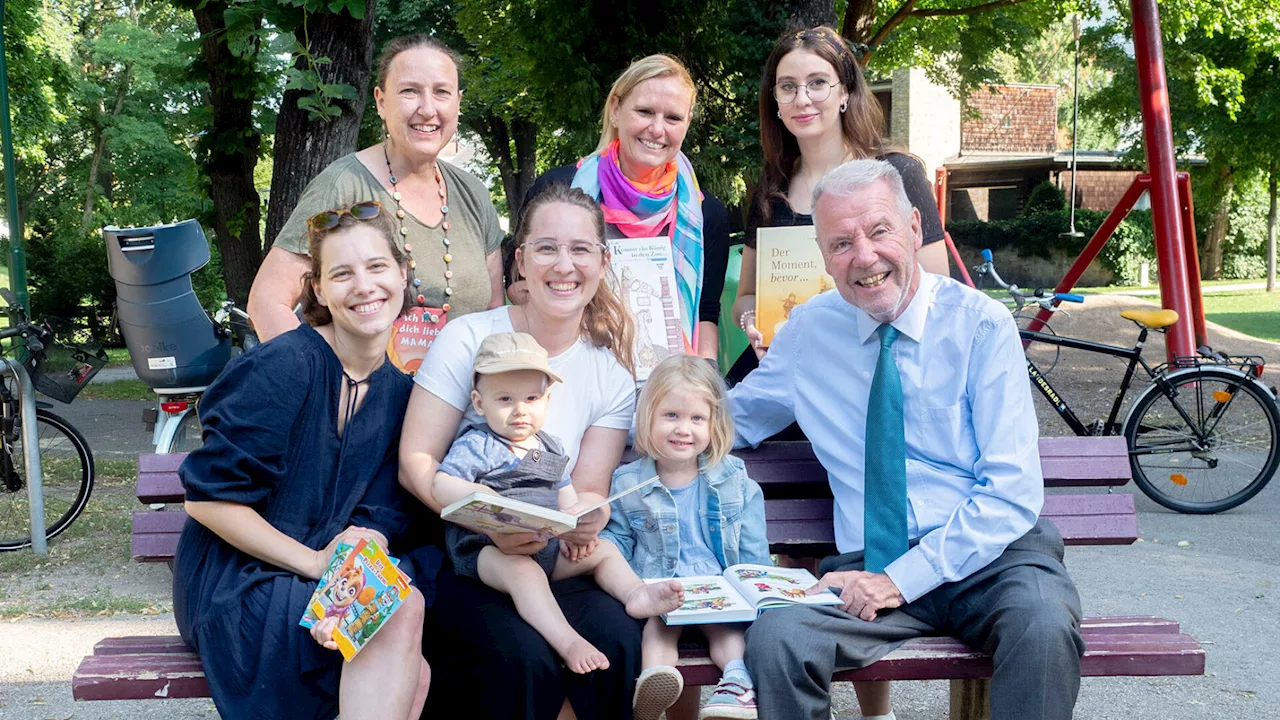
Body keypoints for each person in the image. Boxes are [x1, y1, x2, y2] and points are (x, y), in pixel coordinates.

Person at [729, 159, 1084, 720]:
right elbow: (731, 419)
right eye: (841, 243)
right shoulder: (808, 333)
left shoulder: (981, 327)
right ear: (823, 258)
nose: (864, 257)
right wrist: (613, 419)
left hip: (993, 563)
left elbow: (1011, 492)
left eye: (879, 231)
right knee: (779, 638)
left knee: (1042, 625)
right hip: (866, 565)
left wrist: (902, 579)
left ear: (915, 227)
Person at [172, 201, 432, 720]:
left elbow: (381, 513)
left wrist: (362, 548)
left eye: (377, 267)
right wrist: (317, 564)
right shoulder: (287, 364)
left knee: (415, 666)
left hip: (324, 575)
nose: (364, 286)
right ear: (318, 290)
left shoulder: (401, 392)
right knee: (401, 613)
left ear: (402, 275)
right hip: (238, 575)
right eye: (342, 274)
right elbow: (208, 502)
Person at [400, 184, 643, 719]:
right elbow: (416, 462)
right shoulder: (468, 339)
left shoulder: (610, 375)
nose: (565, 265)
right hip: (470, 558)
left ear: (602, 262)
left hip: (554, 556)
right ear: (521, 260)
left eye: (581, 249)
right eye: (547, 248)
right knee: (522, 658)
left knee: (619, 641)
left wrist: (581, 519)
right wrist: (491, 521)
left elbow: (590, 487)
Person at [434, 332, 684, 674]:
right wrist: (485, 501)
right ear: (479, 403)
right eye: (505, 399)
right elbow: (440, 483)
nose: (520, 410)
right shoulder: (479, 444)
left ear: (547, 399)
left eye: (532, 398)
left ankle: (636, 594)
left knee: (605, 550)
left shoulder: (550, 446)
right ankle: (567, 641)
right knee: (524, 574)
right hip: (489, 551)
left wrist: (577, 524)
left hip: (546, 546)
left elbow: (567, 497)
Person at [247, 35, 505, 361]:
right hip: (366, 406)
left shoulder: (473, 194)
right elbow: (266, 302)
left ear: (457, 103)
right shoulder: (343, 186)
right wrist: (324, 385)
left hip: (465, 405)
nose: (427, 109)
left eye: (442, 92)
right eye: (410, 91)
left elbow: (494, 311)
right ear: (381, 102)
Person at [728, 25, 949, 387]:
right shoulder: (770, 189)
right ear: (776, 102)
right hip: (786, 370)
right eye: (788, 86)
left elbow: (936, 289)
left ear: (844, 91)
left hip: (875, 371)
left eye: (818, 83)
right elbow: (746, 297)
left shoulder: (897, 173)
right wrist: (753, 320)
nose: (802, 99)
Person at [521, 54, 731, 364]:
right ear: (616, 109)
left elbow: (706, 315)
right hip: (567, 370)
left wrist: (704, 383)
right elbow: (519, 285)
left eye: (673, 118)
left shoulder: (706, 215)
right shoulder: (558, 192)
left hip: (664, 388)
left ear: (687, 123)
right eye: (645, 111)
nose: (657, 129)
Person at [603, 355, 769, 720]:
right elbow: (616, 541)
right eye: (671, 416)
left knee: (724, 629)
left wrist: (755, 590)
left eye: (697, 418)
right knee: (657, 629)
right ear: (648, 418)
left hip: (717, 587)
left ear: (714, 424)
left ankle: (736, 682)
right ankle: (654, 681)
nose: (684, 429)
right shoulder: (629, 482)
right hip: (660, 587)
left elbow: (752, 548)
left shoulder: (733, 480)